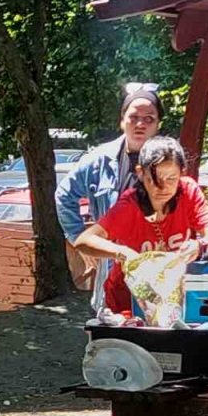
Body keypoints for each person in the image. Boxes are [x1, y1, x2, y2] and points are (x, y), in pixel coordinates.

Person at [74, 136, 208, 416]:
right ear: (141, 174)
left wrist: (199, 245)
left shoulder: (188, 194)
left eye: (172, 178)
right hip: (126, 301)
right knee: (129, 382)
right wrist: (121, 249)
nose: (165, 188)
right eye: (158, 179)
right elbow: (84, 240)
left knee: (187, 374)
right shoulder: (129, 205)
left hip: (169, 302)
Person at [57, 84, 165, 313]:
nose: (140, 124)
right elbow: (64, 195)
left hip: (158, 273)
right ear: (122, 120)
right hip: (112, 269)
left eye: (149, 118)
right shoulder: (99, 160)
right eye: (133, 117)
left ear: (158, 125)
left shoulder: (169, 160)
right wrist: (82, 241)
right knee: (108, 340)